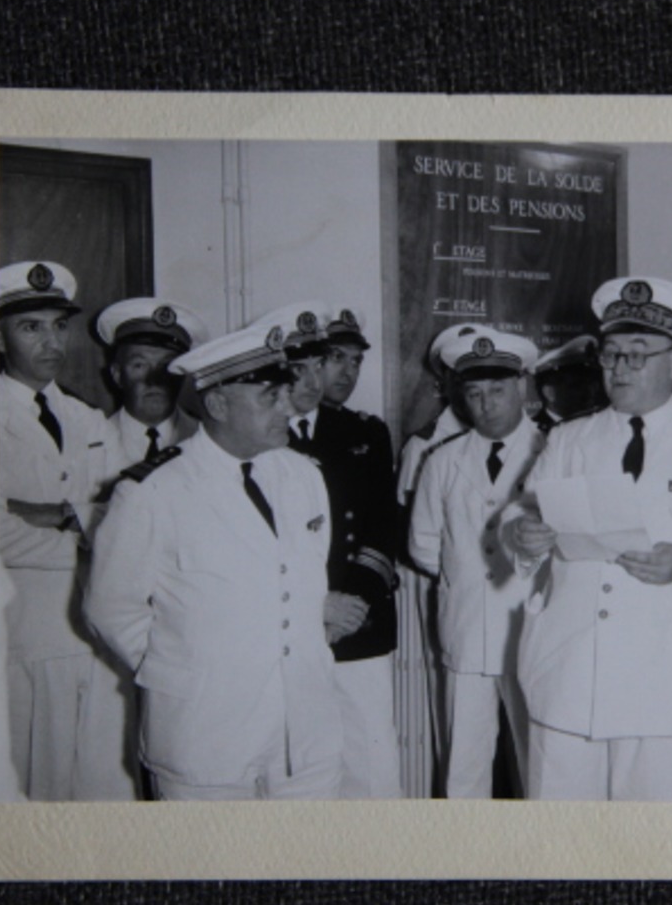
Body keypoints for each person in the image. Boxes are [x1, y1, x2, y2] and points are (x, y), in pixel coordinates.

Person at [504, 276, 672, 801]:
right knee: (559, 834)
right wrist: (522, 534)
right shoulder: (568, 439)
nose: (620, 368)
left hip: (664, 668)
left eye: (638, 354)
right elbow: (521, 513)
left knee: (651, 837)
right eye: (611, 355)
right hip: (570, 664)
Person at [85, 321, 343, 800]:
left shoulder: (303, 476)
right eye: (270, 397)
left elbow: (303, 585)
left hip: (304, 732)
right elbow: (111, 609)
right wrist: (185, 666)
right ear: (219, 404)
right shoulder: (153, 491)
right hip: (204, 732)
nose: (289, 406)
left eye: (286, 393)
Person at [0, 260, 134, 801]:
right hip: (29, 635)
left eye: (58, 325)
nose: (51, 341)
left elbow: (124, 516)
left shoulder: (87, 419)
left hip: (98, 634)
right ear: (1, 339)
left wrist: (60, 511)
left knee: (105, 789)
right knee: (38, 789)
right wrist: (83, 525)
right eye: (31, 328)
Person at [261, 302, 403, 800]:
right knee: (296, 764)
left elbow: (384, 527)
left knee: (371, 760)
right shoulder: (257, 441)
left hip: (358, 618)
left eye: (318, 365)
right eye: (295, 369)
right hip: (287, 624)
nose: (310, 380)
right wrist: (312, 608)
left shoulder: (363, 432)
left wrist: (353, 601)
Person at [408, 325, 544, 797]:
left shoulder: (556, 450)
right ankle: (467, 857)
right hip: (466, 626)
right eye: (474, 392)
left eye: (498, 390)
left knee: (540, 757)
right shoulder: (441, 460)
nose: (486, 404)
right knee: (464, 758)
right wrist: (467, 581)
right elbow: (424, 543)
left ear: (522, 387)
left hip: (534, 627)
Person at [393, 326, 474, 795]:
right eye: (459, 379)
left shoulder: (530, 441)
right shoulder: (424, 446)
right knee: (453, 721)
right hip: (445, 594)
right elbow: (417, 538)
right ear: (444, 384)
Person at [94, 298, 206, 474]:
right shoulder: (90, 441)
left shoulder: (206, 439)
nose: (155, 380)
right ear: (117, 375)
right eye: (140, 365)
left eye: (166, 366)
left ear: (182, 374)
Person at [532, 334, 606, 431]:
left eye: (592, 385)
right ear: (550, 393)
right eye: (577, 386)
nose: (590, 393)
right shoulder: (532, 434)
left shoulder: (599, 430)